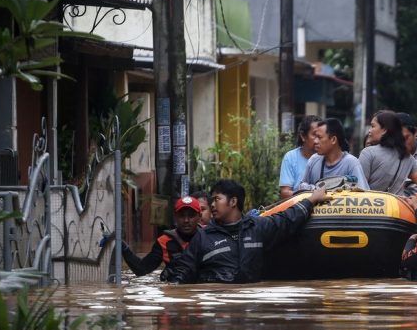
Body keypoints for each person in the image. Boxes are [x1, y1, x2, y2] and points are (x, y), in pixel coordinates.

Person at [169, 179, 330, 283]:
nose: (212, 205)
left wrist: (312, 199)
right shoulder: (203, 237)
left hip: (249, 304)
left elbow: (288, 219)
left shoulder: (257, 228)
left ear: (233, 202)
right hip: (216, 305)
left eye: (217, 199)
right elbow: (184, 270)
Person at [120, 196, 202, 280]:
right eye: (181, 215)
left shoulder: (209, 237)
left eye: (191, 216)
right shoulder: (164, 242)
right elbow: (142, 269)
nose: (186, 220)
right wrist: (124, 248)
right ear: (175, 217)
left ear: (199, 216)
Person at [359, 110, 417, 195]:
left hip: (372, 206)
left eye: (373, 126)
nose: (370, 130)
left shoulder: (368, 153)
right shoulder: (408, 157)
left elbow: (359, 189)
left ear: (385, 130)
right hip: (397, 207)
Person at [298, 118, 369, 190]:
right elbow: (302, 188)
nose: (315, 141)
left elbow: (362, 194)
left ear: (333, 140)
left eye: (319, 137)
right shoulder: (314, 160)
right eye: (315, 137)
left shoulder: (351, 163)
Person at [279, 115, 321, 199]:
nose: (318, 140)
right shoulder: (290, 157)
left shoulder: (325, 157)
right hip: (299, 208)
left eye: (320, 136)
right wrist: (310, 196)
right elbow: (285, 193)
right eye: (314, 135)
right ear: (303, 136)